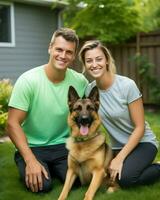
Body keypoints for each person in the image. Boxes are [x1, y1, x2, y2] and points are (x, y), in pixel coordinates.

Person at [7, 28, 88, 193]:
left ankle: (56, 169)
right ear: (50, 48)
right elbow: (12, 123)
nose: (63, 55)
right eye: (59, 49)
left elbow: (91, 112)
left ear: (73, 56)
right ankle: (29, 164)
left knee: (80, 180)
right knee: (42, 186)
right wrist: (30, 160)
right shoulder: (28, 80)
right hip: (33, 147)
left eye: (68, 52)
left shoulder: (80, 82)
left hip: (63, 145)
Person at [79, 40, 160, 188]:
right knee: (94, 175)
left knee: (126, 179)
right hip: (116, 146)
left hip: (143, 143)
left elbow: (140, 127)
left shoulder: (127, 86)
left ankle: (158, 167)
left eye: (99, 59)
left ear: (107, 60)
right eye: (89, 60)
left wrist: (119, 159)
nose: (94, 64)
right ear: (85, 65)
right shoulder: (89, 91)